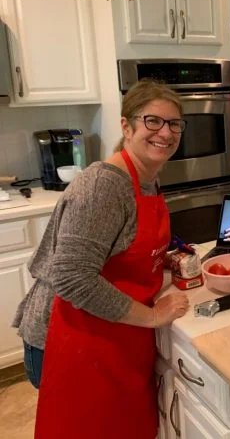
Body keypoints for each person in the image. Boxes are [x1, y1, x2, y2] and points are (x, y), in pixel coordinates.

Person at [13, 80, 191, 439]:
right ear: (126, 126)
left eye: (174, 124)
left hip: (111, 337)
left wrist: (161, 259)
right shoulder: (104, 186)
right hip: (68, 341)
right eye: (153, 121)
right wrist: (155, 316)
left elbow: (118, 251)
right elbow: (73, 278)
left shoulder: (147, 179)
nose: (165, 133)